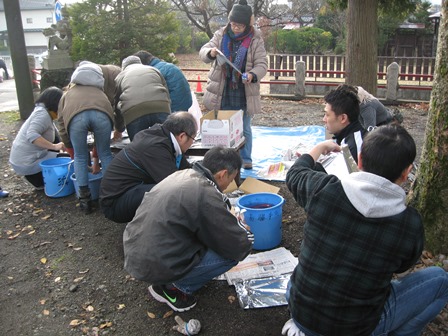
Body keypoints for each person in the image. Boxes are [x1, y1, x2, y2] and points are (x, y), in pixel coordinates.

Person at [282, 125, 448, 336]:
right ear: (407, 173)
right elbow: (403, 266)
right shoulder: (409, 223)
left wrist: (320, 147)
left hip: (302, 313)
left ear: (360, 159)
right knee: (440, 280)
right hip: (356, 327)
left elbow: (295, 172)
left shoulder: (322, 189)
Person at [123, 146, 253, 312]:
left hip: (137, 252)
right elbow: (238, 244)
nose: (229, 185)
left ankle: (170, 278)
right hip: (153, 263)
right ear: (222, 174)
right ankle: (174, 288)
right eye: (231, 179)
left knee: (214, 235)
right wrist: (243, 229)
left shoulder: (184, 174)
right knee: (231, 254)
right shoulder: (205, 192)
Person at [199, 0, 267, 170]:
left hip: (244, 88)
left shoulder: (255, 39)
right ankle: (222, 161)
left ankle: (245, 159)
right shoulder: (221, 34)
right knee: (222, 125)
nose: (236, 28)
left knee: (244, 126)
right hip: (222, 88)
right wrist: (211, 52)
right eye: (234, 24)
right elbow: (203, 51)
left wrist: (252, 75)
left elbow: (262, 64)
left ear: (247, 25)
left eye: (240, 26)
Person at [99, 112, 197, 224]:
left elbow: (186, 169)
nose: (192, 144)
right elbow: (175, 184)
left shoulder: (162, 136)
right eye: (193, 139)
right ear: (182, 137)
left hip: (130, 192)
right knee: (170, 192)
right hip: (115, 203)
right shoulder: (155, 147)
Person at [57, 61, 116, 214]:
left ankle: (85, 201)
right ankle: (111, 194)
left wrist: (69, 145)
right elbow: (112, 113)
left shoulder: (67, 94)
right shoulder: (101, 93)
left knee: (81, 157)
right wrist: (97, 153)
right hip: (102, 115)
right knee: (106, 153)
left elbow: (61, 123)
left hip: (77, 119)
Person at [9, 87, 65, 189]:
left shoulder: (44, 112)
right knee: (65, 161)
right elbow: (32, 135)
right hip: (26, 163)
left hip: (24, 160)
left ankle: (39, 180)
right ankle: (40, 179)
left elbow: (56, 135)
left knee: (61, 152)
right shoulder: (42, 114)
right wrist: (55, 146)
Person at [114, 55, 171, 141]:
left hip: (134, 111)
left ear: (123, 67)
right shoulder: (153, 69)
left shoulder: (120, 76)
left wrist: (119, 129)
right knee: (165, 142)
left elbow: (117, 104)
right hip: (160, 106)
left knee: (138, 146)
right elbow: (166, 93)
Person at [323, 84, 367, 163]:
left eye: (327, 115)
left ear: (343, 118)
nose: (324, 119)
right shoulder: (348, 138)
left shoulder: (354, 147)